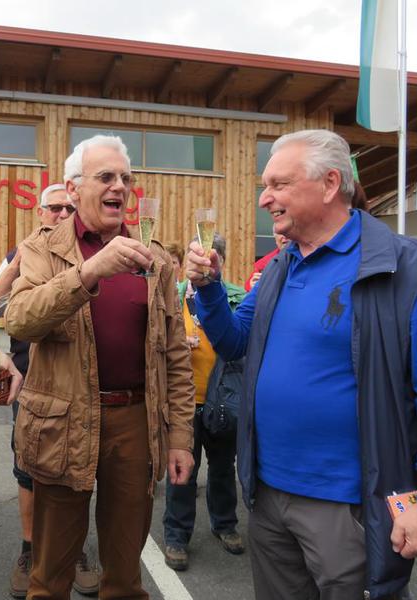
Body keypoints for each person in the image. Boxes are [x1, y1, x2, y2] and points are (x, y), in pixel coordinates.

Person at [185, 129, 417, 600]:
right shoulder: (282, 266)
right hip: (267, 495)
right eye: (265, 185)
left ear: (329, 184)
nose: (264, 198)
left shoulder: (401, 268)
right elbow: (235, 341)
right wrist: (210, 288)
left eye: (278, 184)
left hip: (349, 506)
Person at [5, 135, 195, 599]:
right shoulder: (43, 248)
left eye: (125, 178)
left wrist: (180, 438)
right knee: (49, 578)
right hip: (63, 420)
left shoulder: (154, 258)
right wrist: (89, 271)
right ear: (73, 189)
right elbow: (21, 319)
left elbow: (175, 355)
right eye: (106, 177)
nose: (120, 187)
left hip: (134, 420)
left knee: (125, 577)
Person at [0, 183, 99, 598]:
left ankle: (74, 550)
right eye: (55, 208)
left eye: (69, 208)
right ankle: (30, 550)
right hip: (32, 379)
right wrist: (16, 263)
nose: (63, 215)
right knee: (29, 469)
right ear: (40, 211)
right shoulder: (23, 251)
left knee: (77, 469)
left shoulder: (89, 251)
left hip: (79, 381)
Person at [163, 233, 245, 571]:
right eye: (198, 258)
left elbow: (242, 340)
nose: (204, 265)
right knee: (182, 471)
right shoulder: (172, 296)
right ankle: (176, 535)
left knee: (223, 468)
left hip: (222, 400)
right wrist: (179, 341)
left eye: (213, 259)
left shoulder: (236, 297)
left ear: (221, 262)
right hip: (184, 400)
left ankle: (225, 524)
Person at [244, 224, 287, 291]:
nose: (285, 236)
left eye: (287, 232)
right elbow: (248, 285)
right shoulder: (265, 262)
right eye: (280, 233)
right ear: (275, 237)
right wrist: (252, 286)